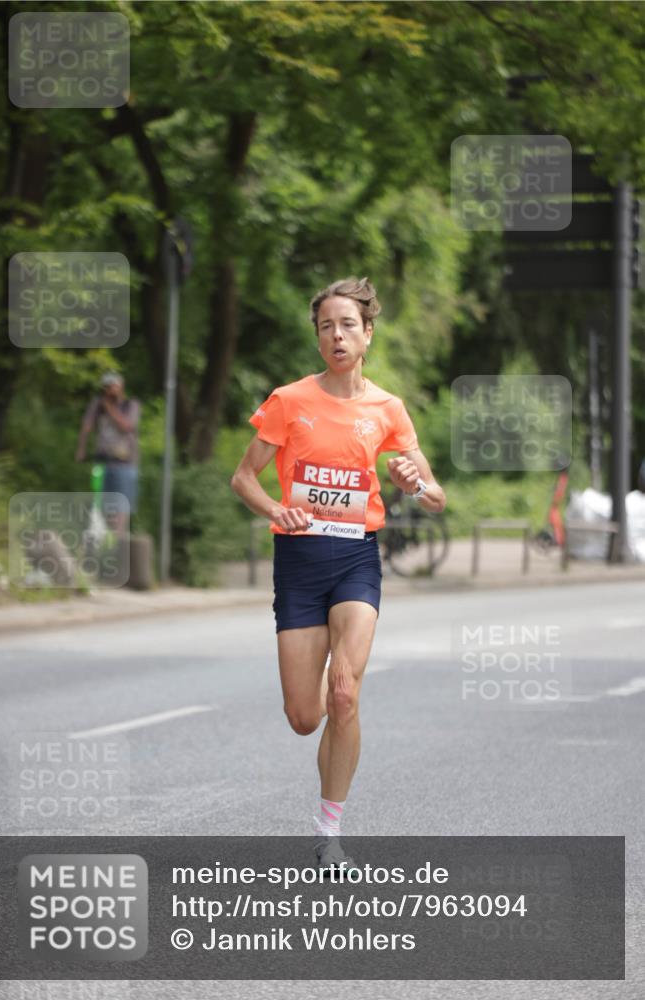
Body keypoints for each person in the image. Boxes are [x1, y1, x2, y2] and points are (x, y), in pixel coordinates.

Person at [231, 276, 446, 873]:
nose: (337, 334)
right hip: (299, 560)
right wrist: (277, 508)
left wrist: (415, 482)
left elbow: (436, 495)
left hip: (356, 558)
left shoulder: (387, 409)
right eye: (326, 325)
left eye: (348, 324)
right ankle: (325, 770)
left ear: (367, 333)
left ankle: (330, 833)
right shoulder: (289, 401)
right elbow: (243, 477)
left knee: (345, 692)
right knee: (305, 717)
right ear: (318, 336)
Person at [75, 372, 141, 534]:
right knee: (102, 507)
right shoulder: (98, 405)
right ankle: (104, 541)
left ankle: (120, 542)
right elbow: (87, 426)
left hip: (125, 464)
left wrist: (109, 408)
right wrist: (81, 449)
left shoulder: (130, 404)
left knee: (121, 510)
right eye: (106, 387)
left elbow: (126, 427)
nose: (109, 390)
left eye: (112, 386)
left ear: (120, 387)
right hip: (102, 463)